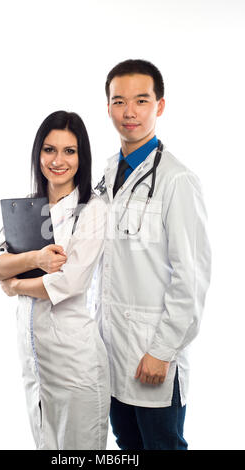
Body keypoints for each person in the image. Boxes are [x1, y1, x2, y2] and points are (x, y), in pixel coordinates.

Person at [94, 59, 211, 450]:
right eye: (119, 101)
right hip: (111, 353)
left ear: (159, 106)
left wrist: (161, 352)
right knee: (126, 445)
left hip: (153, 355)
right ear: (107, 106)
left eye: (141, 100)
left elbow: (191, 277)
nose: (129, 112)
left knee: (162, 445)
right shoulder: (108, 174)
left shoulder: (177, 180)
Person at [0, 111, 110, 450]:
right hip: (35, 364)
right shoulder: (27, 207)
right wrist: (35, 260)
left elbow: (69, 283)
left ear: (82, 157)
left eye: (70, 151)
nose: (58, 160)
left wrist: (16, 284)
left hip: (75, 365)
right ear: (38, 153)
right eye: (50, 150)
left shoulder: (91, 210)